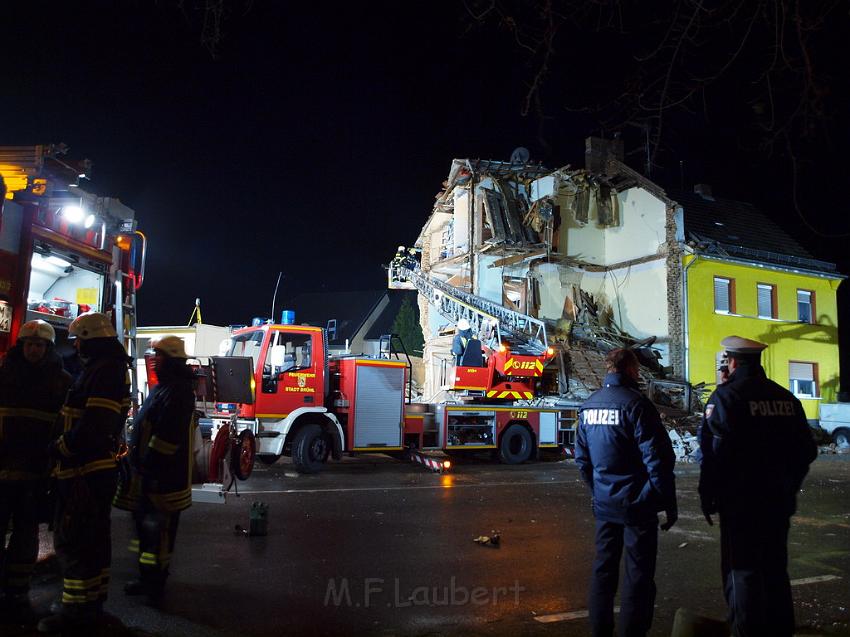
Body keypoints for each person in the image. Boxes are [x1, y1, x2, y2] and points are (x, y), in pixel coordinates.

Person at [698, 335, 817, 637]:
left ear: (733, 362)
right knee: (776, 569)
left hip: (740, 504)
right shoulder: (785, 398)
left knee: (742, 572)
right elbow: (806, 450)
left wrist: (708, 495)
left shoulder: (726, 397)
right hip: (778, 500)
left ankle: (746, 631)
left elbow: (714, 454)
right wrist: (789, 484)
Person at [38, 312, 131, 633]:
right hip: (92, 471)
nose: (75, 345)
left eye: (79, 339)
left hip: (84, 471)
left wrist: (61, 446)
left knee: (76, 542)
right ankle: (90, 608)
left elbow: (94, 424)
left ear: (91, 339)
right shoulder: (107, 368)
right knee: (91, 543)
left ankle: (75, 615)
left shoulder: (104, 372)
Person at [575, 348, 677, 637]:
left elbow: (583, 461)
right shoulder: (637, 405)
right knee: (638, 574)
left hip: (606, 504)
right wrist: (663, 500)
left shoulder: (589, 406)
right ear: (631, 370)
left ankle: (600, 631)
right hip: (637, 505)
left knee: (603, 569)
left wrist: (599, 491)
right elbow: (658, 460)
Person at [114, 335, 194, 603]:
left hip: (164, 480)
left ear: (172, 360)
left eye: (159, 355)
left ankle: (156, 584)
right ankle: (146, 578)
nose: (154, 359)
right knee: (144, 533)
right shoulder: (165, 387)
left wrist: (149, 472)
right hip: (150, 475)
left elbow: (167, 439)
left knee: (159, 535)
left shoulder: (179, 391)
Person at [0, 321, 71, 613]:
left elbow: (63, 426)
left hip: (36, 470)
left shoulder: (61, 381)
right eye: (29, 344)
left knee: (26, 531)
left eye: (39, 345)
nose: (33, 349)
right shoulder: (3, 373)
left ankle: (17, 589)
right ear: (21, 345)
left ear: (48, 348)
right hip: (2, 467)